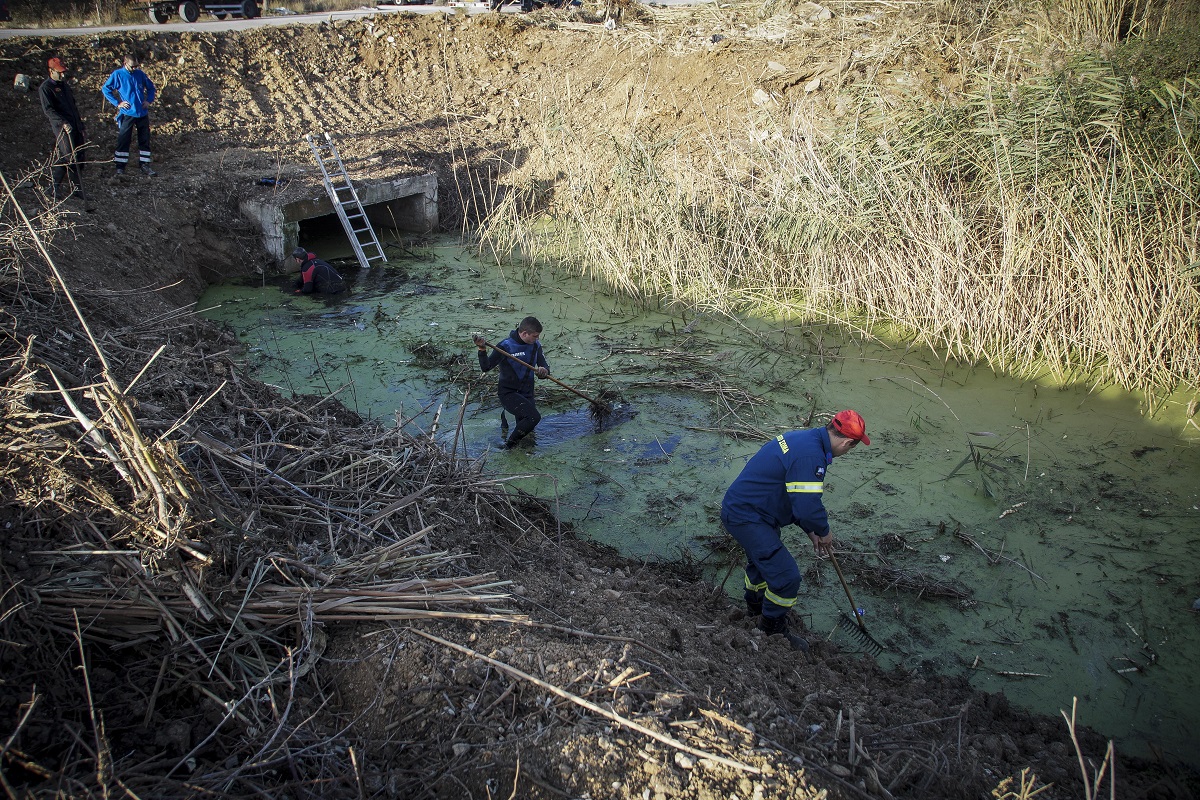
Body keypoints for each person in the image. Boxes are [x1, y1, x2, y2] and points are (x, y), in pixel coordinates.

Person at [721, 409, 871, 652]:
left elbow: (794, 494)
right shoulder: (812, 457)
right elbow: (807, 506)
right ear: (847, 443)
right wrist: (823, 530)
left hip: (749, 511)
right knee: (787, 578)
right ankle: (771, 630)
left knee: (761, 564)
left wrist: (810, 530)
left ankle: (756, 608)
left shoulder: (807, 439)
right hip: (748, 517)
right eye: (851, 448)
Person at [473, 317, 550, 449]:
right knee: (533, 418)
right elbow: (486, 367)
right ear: (524, 333)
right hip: (508, 393)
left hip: (527, 393)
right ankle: (508, 447)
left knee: (527, 432)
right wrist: (482, 349)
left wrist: (544, 371)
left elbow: (544, 366)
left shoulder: (536, 346)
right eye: (535, 336)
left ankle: (524, 453)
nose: (536, 339)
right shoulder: (505, 346)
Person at [39, 57, 88, 201]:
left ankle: (76, 189)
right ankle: (53, 188)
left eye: (63, 72)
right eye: (59, 73)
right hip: (62, 127)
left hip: (75, 125)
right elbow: (48, 110)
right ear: (51, 71)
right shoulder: (46, 88)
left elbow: (73, 107)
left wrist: (81, 126)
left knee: (79, 156)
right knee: (66, 156)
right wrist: (62, 122)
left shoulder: (65, 86)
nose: (62, 75)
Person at [102, 54, 157, 177]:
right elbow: (106, 89)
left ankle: (145, 165)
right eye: (132, 66)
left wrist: (148, 100)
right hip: (128, 113)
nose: (134, 69)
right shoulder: (118, 75)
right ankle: (120, 167)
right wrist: (118, 103)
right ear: (125, 63)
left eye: (136, 66)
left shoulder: (140, 74)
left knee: (144, 139)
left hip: (142, 113)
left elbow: (151, 88)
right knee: (123, 139)